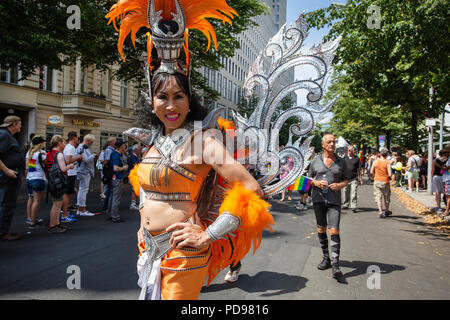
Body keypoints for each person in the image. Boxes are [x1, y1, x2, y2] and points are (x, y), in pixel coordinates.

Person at [106, 0, 276, 300]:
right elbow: (146, 189)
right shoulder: (153, 141)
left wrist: (208, 235)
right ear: (152, 100)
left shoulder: (203, 140)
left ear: (189, 99)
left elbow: (251, 188)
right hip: (147, 248)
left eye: (178, 96)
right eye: (162, 97)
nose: (171, 105)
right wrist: (143, 226)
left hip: (184, 251)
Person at [308, 133, 348, 280]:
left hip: (334, 201)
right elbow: (308, 178)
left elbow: (346, 180)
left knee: (334, 230)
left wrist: (340, 185)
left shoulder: (341, 162)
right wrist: (316, 183)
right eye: (329, 142)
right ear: (323, 145)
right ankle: (326, 258)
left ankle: (336, 265)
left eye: (333, 142)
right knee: (321, 229)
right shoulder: (315, 161)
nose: (332, 144)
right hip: (318, 199)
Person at [0, 116, 25, 241]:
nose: (21, 126)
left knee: (8, 204)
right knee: (6, 204)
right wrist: (6, 170)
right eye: (20, 123)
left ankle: (4, 230)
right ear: (14, 124)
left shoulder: (8, 136)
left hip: (11, 177)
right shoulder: (4, 135)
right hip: (6, 177)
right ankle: (3, 232)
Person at [48, 135, 75, 234]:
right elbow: (63, 168)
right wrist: (70, 166)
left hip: (52, 181)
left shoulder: (50, 152)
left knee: (57, 203)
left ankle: (56, 223)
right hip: (57, 182)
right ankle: (53, 225)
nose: (65, 144)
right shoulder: (59, 154)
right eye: (63, 142)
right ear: (59, 143)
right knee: (57, 204)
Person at [25, 136, 47, 228]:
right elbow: (47, 163)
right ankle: (33, 222)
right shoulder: (41, 154)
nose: (44, 144)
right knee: (37, 201)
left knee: (31, 198)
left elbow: (30, 167)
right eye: (43, 142)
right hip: (38, 178)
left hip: (30, 178)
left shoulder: (30, 152)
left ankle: (30, 218)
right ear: (40, 144)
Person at [62, 131, 82, 222]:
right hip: (69, 173)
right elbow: (68, 160)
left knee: (69, 193)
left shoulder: (69, 147)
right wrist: (78, 157)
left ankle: (66, 212)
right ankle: (65, 215)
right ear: (74, 138)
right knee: (67, 194)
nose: (78, 140)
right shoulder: (70, 148)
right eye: (77, 138)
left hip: (71, 172)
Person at [107, 139, 128, 223]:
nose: (125, 146)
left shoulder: (116, 154)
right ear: (121, 146)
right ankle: (115, 216)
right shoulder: (116, 155)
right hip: (117, 178)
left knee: (112, 196)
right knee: (116, 197)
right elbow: (115, 168)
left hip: (114, 177)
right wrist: (124, 168)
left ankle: (110, 214)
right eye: (124, 145)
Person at [76, 134, 96, 217]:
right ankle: (82, 209)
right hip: (84, 171)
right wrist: (93, 155)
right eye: (91, 142)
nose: (91, 144)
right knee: (83, 190)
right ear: (88, 141)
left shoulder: (82, 147)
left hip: (83, 171)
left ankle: (80, 209)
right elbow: (86, 160)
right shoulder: (82, 147)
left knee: (82, 190)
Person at [370, 148, 392, 218]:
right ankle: (386, 210)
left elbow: (371, 171)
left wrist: (375, 175)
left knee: (378, 197)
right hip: (385, 181)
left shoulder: (375, 162)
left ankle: (380, 212)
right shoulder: (387, 162)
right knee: (386, 197)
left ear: (380, 153)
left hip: (377, 180)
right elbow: (390, 174)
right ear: (387, 154)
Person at [341, 146, 362, 213]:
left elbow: (359, 170)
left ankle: (353, 206)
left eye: (350, 150)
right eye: (348, 150)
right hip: (345, 178)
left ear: (353, 151)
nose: (349, 151)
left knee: (353, 193)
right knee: (345, 192)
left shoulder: (357, 159)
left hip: (354, 178)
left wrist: (360, 179)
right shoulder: (344, 159)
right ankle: (345, 204)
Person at [101, 137, 117, 212]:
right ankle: (106, 206)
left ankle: (107, 206)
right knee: (108, 189)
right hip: (109, 171)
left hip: (110, 171)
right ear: (112, 142)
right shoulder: (109, 150)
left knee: (110, 189)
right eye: (115, 141)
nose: (116, 142)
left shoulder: (112, 150)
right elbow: (107, 161)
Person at [128, 143, 142, 210]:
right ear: (136, 150)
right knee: (133, 190)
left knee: (136, 189)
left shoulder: (136, 156)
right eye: (140, 149)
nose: (141, 151)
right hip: (133, 175)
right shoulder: (133, 156)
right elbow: (135, 165)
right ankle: (133, 204)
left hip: (136, 175)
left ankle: (136, 203)